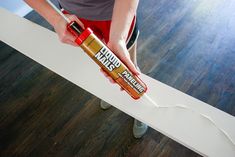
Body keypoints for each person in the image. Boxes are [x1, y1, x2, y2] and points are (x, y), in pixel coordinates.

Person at [24, 0, 148, 138]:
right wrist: (55, 18)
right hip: (73, 17)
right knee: (106, 65)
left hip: (117, 15)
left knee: (129, 68)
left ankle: (141, 109)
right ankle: (116, 94)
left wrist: (118, 37)